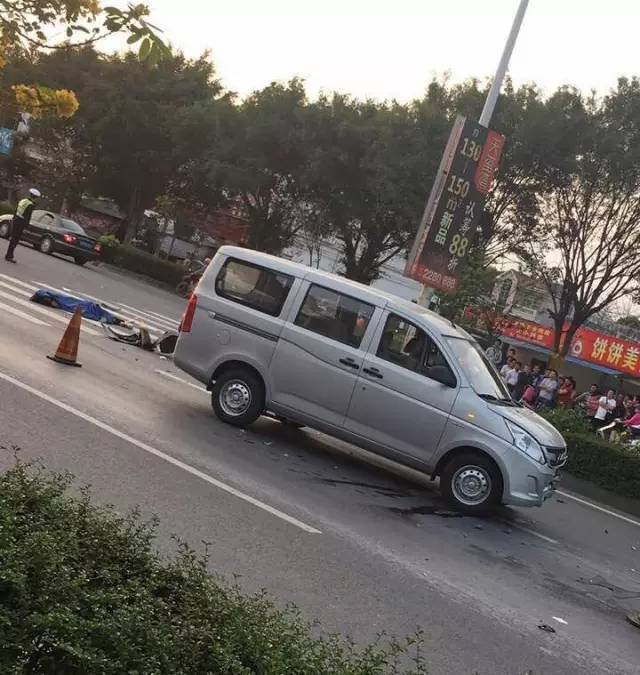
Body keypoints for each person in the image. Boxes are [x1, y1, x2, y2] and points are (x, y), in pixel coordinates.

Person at [5, 188, 40, 263]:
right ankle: (9, 256)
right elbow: (27, 217)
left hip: (16, 220)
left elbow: (16, 210)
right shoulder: (30, 205)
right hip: (21, 223)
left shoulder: (23, 201)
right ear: (35, 197)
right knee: (15, 240)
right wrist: (25, 227)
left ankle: (9, 254)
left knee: (13, 239)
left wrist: (14, 219)